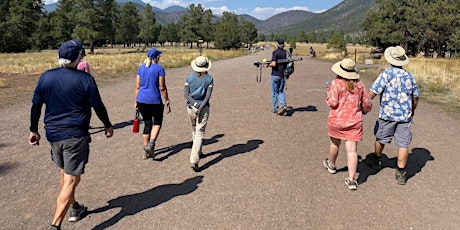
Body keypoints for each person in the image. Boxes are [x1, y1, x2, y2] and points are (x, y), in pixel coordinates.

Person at [28, 39, 114, 230]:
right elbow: (97, 105)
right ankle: (55, 225)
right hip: (75, 135)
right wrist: (107, 125)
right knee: (72, 178)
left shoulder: (46, 77)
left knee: (65, 172)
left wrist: (33, 130)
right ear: (78, 58)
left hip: (53, 135)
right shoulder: (85, 80)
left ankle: (74, 207)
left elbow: (36, 106)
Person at [367, 46, 420, 185]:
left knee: (381, 137)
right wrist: (412, 110)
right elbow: (415, 97)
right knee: (403, 143)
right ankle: (401, 172)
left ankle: (376, 159)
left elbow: (374, 91)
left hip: (387, 114)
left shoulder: (386, 74)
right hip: (404, 115)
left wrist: (363, 104)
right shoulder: (409, 76)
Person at [323, 58, 372, 190]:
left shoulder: (336, 83)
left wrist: (328, 95)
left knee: (335, 144)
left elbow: (332, 103)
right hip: (354, 121)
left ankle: (332, 164)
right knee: (352, 150)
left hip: (337, 120)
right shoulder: (359, 85)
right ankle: (351, 180)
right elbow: (367, 104)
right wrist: (364, 111)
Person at [134, 48, 171, 159]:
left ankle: (145, 150)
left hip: (141, 99)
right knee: (157, 122)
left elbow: (137, 86)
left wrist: (135, 101)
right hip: (155, 100)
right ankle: (151, 144)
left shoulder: (141, 68)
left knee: (147, 123)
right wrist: (167, 100)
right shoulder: (159, 69)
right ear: (157, 57)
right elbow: (162, 87)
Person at [184, 56, 214, 172]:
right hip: (204, 107)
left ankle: (199, 152)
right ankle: (194, 159)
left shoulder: (189, 78)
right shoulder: (209, 79)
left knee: (194, 130)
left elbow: (186, 95)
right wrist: (200, 108)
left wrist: (195, 105)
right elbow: (207, 96)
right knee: (200, 132)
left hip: (190, 107)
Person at [265, 38, 288, 115]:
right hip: (282, 75)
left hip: (275, 75)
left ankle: (275, 109)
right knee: (281, 91)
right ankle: (283, 105)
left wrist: (268, 65)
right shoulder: (285, 53)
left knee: (274, 93)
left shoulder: (275, 52)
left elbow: (274, 64)